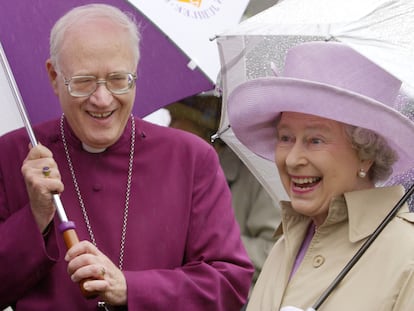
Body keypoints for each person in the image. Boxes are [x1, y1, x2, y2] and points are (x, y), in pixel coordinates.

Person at [0, 4, 253, 310]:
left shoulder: (191, 158)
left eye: (119, 79)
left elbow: (229, 285)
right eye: (83, 82)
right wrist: (36, 218)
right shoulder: (15, 154)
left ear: (136, 73)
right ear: (55, 77)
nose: (102, 99)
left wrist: (130, 289)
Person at [226, 41, 414, 310]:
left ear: (366, 153)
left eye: (315, 140)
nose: (292, 159)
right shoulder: (286, 244)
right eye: (285, 137)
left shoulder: (407, 254)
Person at [167, 100, 281, 285]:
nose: (170, 127)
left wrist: (204, 242)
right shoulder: (178, 174)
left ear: (207, 132)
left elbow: (273, 253)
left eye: (179, 119)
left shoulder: (259, 177)